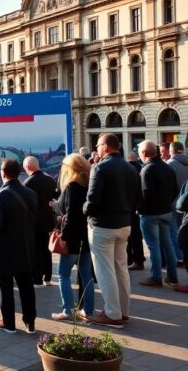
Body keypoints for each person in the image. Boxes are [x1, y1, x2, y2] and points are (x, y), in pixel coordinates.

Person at [83, 134, 141, 329]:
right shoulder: (130, 168)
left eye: (98, 145)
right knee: (121, 269)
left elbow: (92, 200)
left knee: (105, 270)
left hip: (103, 226)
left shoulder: (99, 168)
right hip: (124, 224)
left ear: (106, 147)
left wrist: (84, 210)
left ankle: (112, 313)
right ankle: (123, 312)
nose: (97, 148)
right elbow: (138, 198)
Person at [0, 159, 38, 334]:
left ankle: (9, 323)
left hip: (5, 250)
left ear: (2, 173)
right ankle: (30, 323)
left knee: (5, 288)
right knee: (26, 287)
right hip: (25, 247)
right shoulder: (30, 193)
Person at [51, 154, 95, 321]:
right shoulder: (89, 184)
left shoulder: (71, 187)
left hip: (73, 238)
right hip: (87, 236)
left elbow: (70, 216)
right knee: (86, 275)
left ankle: (68, 310)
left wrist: (64, 237)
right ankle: (88, 311)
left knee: (63, 274)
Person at [137, 140, 179, 287]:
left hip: (150, 214)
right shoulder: (167, 167)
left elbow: (145, 194)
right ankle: (172, 277)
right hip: (166, 211)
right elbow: (175, 190)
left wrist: (139, 209)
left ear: (144, 153)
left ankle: (156, 277)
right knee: (167, 244)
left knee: (154, 246)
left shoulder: (147, 169)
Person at [23, 156, 58, 286]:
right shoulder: (50, 180)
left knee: (35, 250)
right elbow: (55, 198)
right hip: (48, 220)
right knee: (47, 249)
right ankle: (48, 276)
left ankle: (37, 278)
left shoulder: (27, 183)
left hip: (34, 222)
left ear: (27, 167)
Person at [167, 141, 188, 265]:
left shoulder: (170, 164)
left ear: (171, 151)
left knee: (174, 232)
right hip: (186, 204)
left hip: (175, 203)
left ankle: (180, 257)